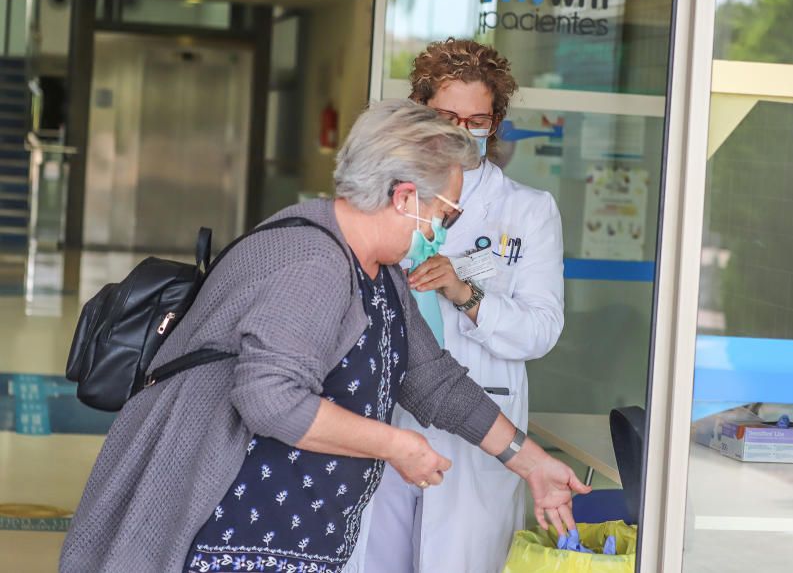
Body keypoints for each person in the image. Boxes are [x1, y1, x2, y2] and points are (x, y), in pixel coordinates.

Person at [59, 99, 587, 573]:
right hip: (230, 536)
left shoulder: (380, 271)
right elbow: (269, 397)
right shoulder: (314, 263)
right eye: (446, 212)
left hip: (290, 539)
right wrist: (396, 444)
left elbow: (433, 381)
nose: (444, 229)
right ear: (405, 197)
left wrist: (529, 460)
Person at [353, 39, 566, 573]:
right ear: (419, 110)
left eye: (477, 118)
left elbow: (540, 331)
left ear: (494, 123)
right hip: (389, 414)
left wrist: (466, 295)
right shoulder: (383, 197)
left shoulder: (528, 211)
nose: (462, 129)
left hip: (479, 419)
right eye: (447, 115)